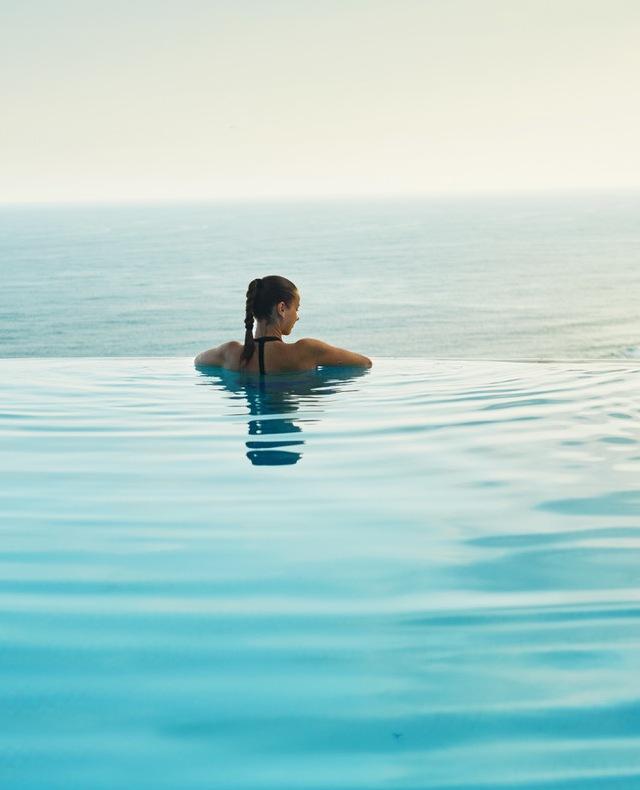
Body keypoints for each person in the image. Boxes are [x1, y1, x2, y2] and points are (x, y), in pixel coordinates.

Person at [194, 275, 372, 374]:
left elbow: (198, 361)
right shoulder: (307, 350)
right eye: (297, 308)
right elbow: (365, 363)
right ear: (282, 308)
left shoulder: (230, 353)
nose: (297, 317)